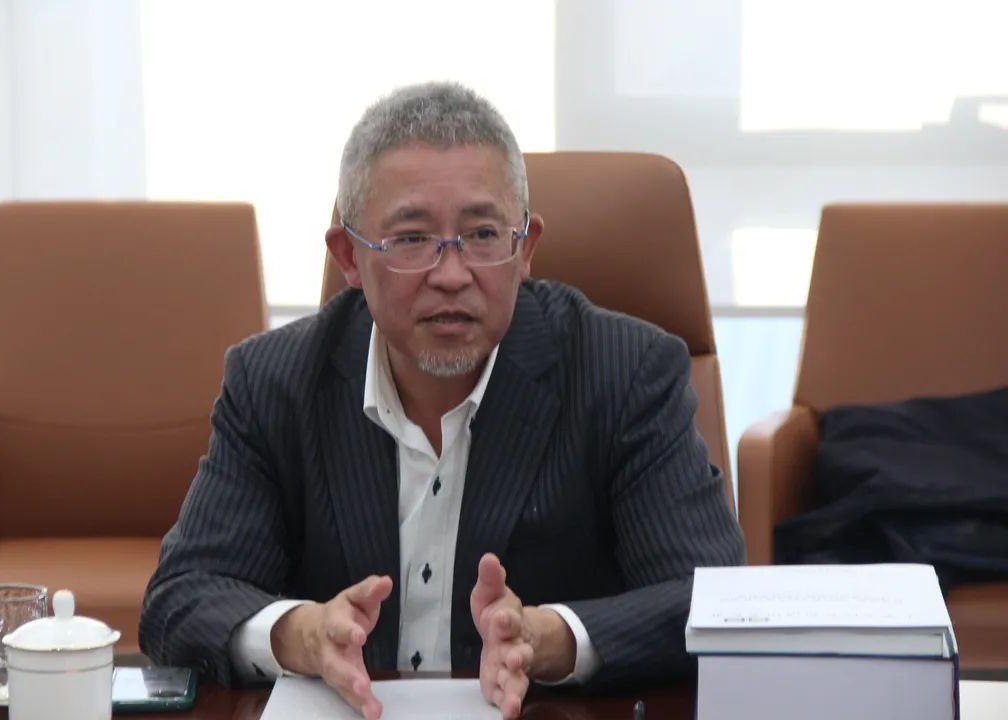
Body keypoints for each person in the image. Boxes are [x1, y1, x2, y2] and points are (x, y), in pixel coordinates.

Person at [139, 81, 744, 719]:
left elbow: (712, 601)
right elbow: (182, 597)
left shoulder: (623, 373)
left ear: (525, 248)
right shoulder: (276, 382)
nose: (452, 275)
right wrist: (301, 635)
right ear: (349, 256)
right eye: (411, 239)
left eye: (483, 234)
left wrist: (550, 639)